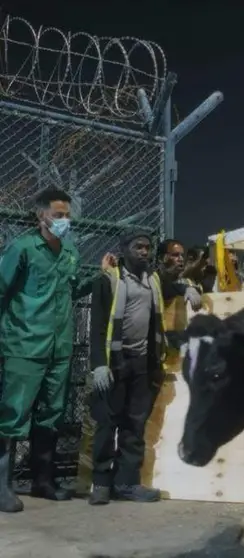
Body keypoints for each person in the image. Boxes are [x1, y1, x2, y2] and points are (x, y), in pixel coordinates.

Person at [0, 188, 109, 513]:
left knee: (51, 413)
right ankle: (2, 486)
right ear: (41, 216)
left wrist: (99, 276)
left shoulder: (70, 251)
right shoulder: (22, 248)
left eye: (68, 215)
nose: (65, 221)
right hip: (25, 344)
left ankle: (43, 481)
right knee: (13, 415)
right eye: (59, 215)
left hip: (59, 348)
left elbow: (71, 290)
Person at [88, 229, 170, 505]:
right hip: (115, 363)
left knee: (134, 426)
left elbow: (173, 286)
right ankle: (100, 483)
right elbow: (97, 326)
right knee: (107, 423)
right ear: (124, 249)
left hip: (142, 363)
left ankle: (126, 483)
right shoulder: (108, 280)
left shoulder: (153, 281)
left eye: (147, 247)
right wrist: (99, 365)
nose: (144, 252)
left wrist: (189, 288)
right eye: (138, 247)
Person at [156, 239, 203, 308]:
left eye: (182, 255)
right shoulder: (151, 279)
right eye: (175, 255)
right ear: (161, 258)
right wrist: (185, 288)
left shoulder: (182, 281)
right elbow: (165, 289)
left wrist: (189, 288)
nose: (181, 259)